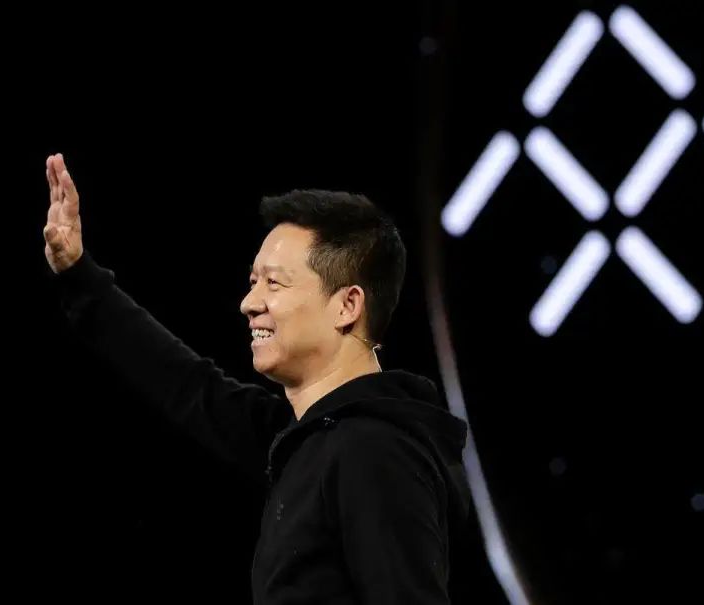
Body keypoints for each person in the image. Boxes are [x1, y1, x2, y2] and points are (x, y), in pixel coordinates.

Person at [42, 153, 471, 604]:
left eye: (274, 283)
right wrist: (78, 273)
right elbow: (188, 386)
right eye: (253, 282)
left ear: (347, 306)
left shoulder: (374, 451)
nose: (249, 303)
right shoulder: (310, 438)